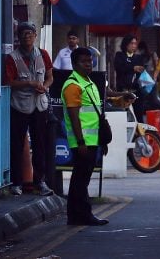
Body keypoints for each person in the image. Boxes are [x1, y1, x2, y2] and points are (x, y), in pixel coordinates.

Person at [61, 47, 134, 226]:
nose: (88, 65)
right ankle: (82, 215)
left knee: (82, 179)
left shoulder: (89, 82)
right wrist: (80, 142)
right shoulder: (73, 85)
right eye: (84, 62)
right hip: (83, 141)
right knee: (80, 180)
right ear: (74, 64)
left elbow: (100, 106)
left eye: (90, 61)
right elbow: (73, 116)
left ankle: (77, 216)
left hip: (92, 140)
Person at [5, 22, 55, 196]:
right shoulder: (12, 58)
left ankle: (40, 181)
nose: (27, 37)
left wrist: (45, 86)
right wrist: (28, 83)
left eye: (30, 33)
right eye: (23, 34)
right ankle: (16, 182)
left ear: (35, 36)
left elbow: (50, 76)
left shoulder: (43, 54)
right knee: (17, 144)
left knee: (40, 144)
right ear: (18, 38)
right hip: (20, 106)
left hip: (39, 106)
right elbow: (9, 83)